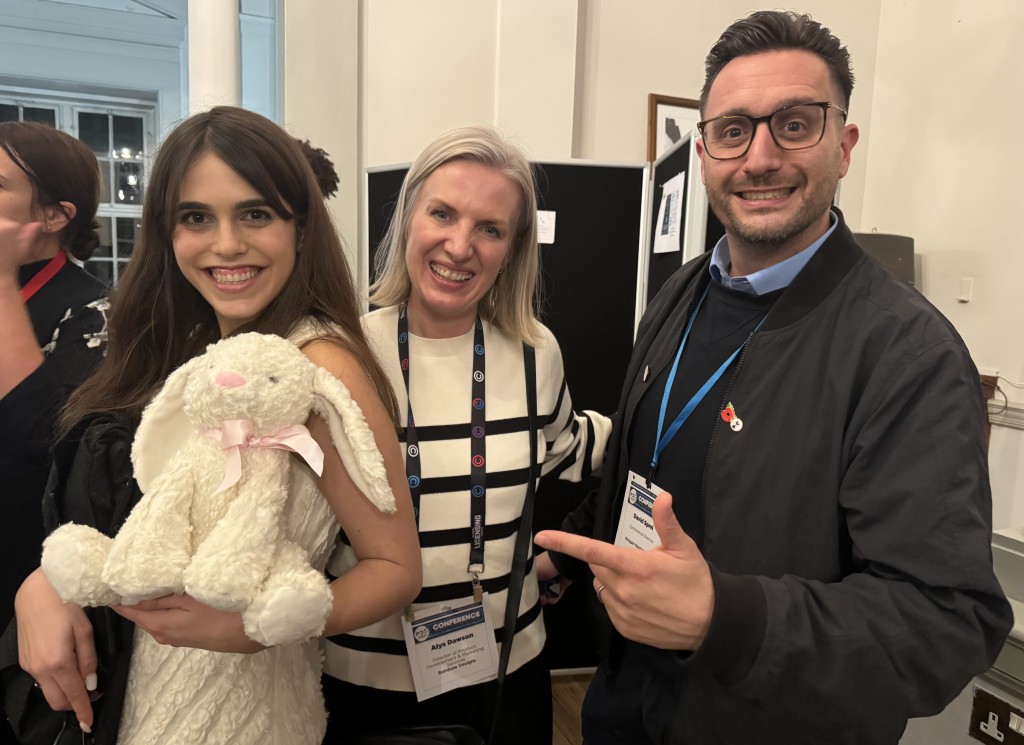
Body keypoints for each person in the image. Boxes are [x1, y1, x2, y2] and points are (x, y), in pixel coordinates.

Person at [535, 10, 1013, 744]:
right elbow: (654, 470)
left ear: (844, 145)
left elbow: (945, 625)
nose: (760, 157)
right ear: (703, 152)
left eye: (794, 123)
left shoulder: (906, 355)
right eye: (733, 130)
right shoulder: (681, 294)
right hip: (626, 708)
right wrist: (573, 541)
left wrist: (727, 619)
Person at [13, 106, 421, 743]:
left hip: (242, 711)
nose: (226, 244)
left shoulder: (315, 364)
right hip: (138, 692)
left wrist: (254, 626)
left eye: (255, 214)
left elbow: (395, 566)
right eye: (196, 217)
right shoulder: (192, 343)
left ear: (300, 226)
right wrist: (44, 582)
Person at [320, 126, 612, 745]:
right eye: (443, 214)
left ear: (512, 249)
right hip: (359, 681)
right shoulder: (341, 354)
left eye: (490, 228)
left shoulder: (536, 352)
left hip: (507, 672)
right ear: (407, 221)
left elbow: (569, 449)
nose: (460, 245)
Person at [0, 121, 107, 641]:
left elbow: (49, 446)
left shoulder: (95, 311)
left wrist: (1, 285)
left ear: (53, 215)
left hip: (29, 575)